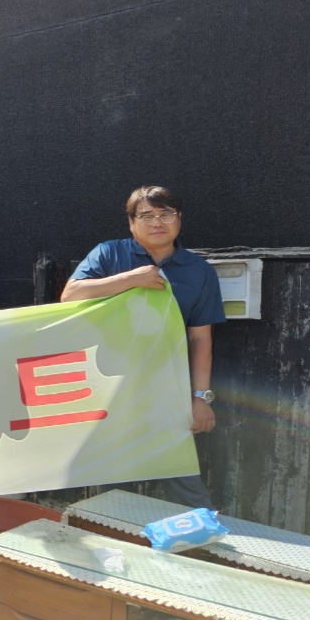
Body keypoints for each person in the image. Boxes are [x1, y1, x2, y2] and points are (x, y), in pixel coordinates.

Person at [61, 185, 224, 508]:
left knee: (183, 479)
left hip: (168, 389)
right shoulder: (109, 254)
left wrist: (200, 397)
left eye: (166, 214)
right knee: (109, 478)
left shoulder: (199, 271)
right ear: (131, 223)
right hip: (108, 386)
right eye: (146, 215)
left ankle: (200, 543)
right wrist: (131, 279)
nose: (157, 222)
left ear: (179, 220)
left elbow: (200, 337)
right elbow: (71, 295)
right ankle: (108, 546)